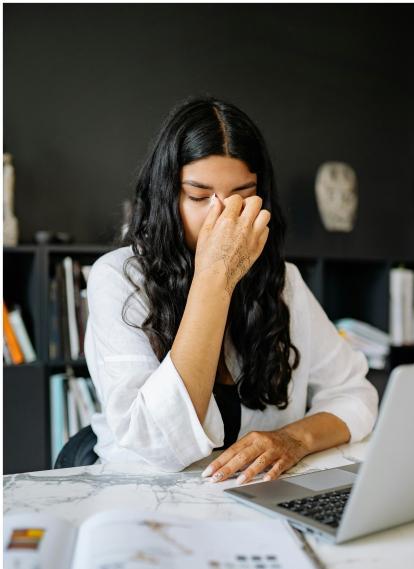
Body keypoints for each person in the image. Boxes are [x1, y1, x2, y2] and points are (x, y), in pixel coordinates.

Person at [84, 95, 378, 484]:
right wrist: (215, 276)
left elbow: (355, 394)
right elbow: (160, 446)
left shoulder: (282, 280)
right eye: (200, 197)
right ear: (166, 196)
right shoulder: (119, 278)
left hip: (254, 496)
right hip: (147, 498)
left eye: (242, 196)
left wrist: (293, 438)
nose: (222, 215)